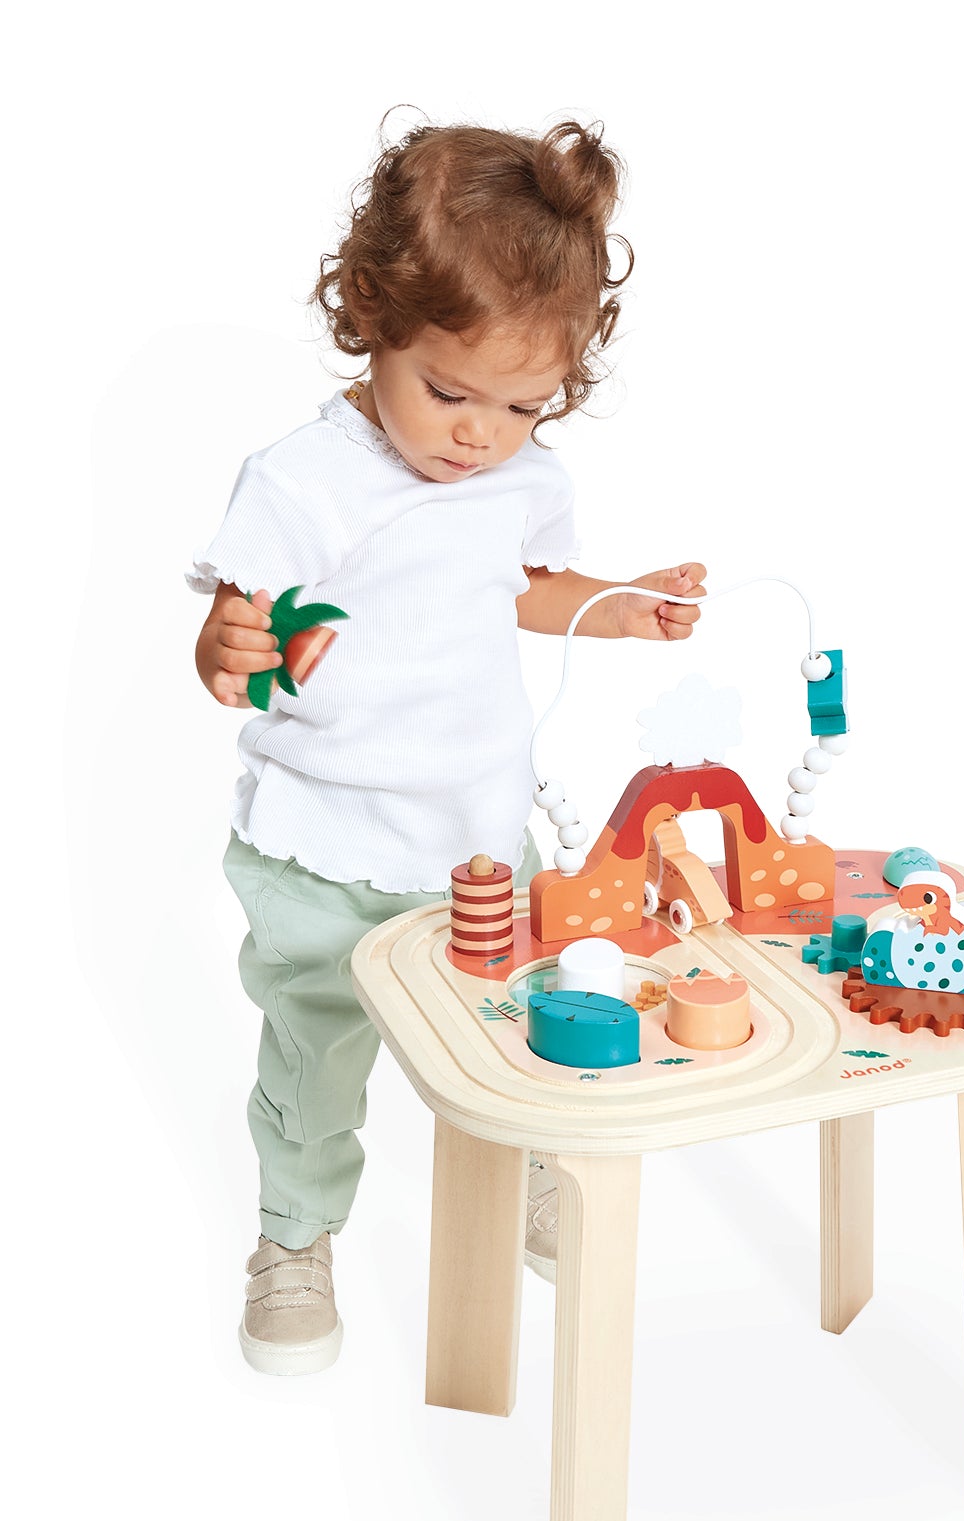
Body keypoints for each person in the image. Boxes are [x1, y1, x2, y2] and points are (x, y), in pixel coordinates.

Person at [190, 117, 705, 1375]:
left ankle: (528, 1171)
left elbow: (518, 585)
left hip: (477, 841)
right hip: (322, 852)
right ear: (372, 320)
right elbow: (232, 641)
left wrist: (617, 605)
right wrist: (226, 646)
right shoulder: (305, 480)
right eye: (448, 392)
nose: (479, 435)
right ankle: (294, 1235)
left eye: (522, 405)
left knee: (521, 1026)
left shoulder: (517, 477)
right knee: (315, 1055)